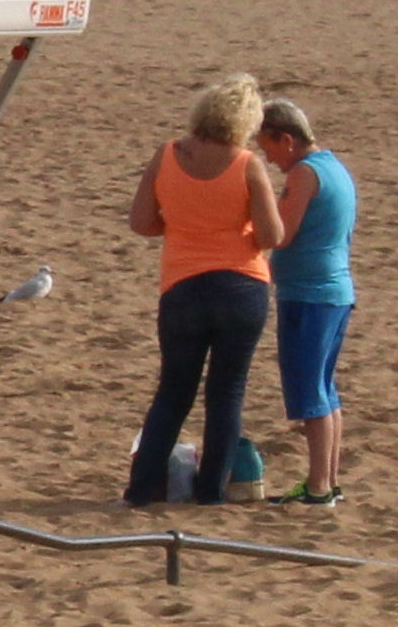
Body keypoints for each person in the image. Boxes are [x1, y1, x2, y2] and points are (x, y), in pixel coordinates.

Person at [126, 74, 285, 505]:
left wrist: (179, 227)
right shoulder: (246, 163)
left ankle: (142, 488)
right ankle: (211, 491)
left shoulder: (167, 156)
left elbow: (141, 223)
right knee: (226, 392)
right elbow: (272, 234)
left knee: (173, 391)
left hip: (183, 284)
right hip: (240, 284)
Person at [258, 98, 356, 503]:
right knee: (325, 390)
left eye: (269, 148)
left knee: (311, 394)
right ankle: (327, 482)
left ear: (287, 139)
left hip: (310, 294)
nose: (269, 158)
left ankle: (318, 487)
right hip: (332, 292)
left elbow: (281, 234)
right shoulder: (334, 167)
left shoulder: (304, 174)